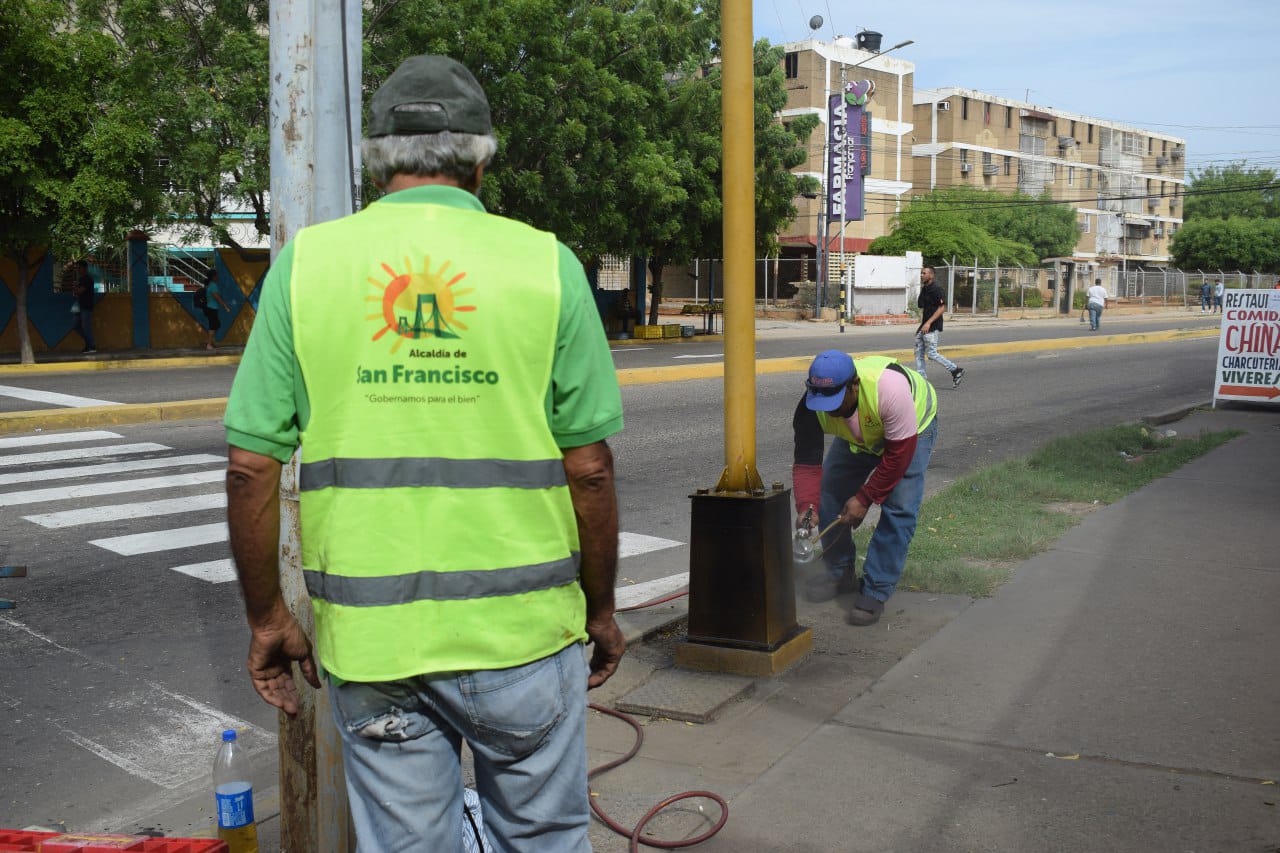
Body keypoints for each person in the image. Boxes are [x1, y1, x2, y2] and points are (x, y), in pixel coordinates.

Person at [223, 55, 625, 851]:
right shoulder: (547, 266)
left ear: (377, 158)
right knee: (544, 837)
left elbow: (250, 469)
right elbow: (590, 468)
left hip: (374, 646)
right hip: (524, 639)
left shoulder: (305, 267)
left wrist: (269, 615)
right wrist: (601, 609)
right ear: (482, 155)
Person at [792, 349, 939, 626]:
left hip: (912, 430)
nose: (828, 409)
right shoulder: (811, 407)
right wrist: (807, 506)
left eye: (835, 400)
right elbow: (807, 463)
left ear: (854, 385)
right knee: (827, 494)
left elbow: (897, 457)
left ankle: (876, 589)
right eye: (822, 401)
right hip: (861, 436)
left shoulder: (890, 390)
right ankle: (840, 573)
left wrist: (865, 497)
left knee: (899, 508)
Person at [914, 266, 964, 388]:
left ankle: (955, 370)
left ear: (931, 275)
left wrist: (928, 323)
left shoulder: (937, 290)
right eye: (921, 273)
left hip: (932, 325)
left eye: (924, 273)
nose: (921, 275)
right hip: (924, 325)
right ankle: (922, 378)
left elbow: (942, 308)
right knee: (918, 351)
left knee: (931, 354)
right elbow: (921, 305)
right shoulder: (925, 289)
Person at [198, 272, 230, 350]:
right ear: (213, 277)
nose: (218, 277)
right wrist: (225, 306)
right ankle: (209, 344)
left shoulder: (210, 285)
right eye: (216, 276)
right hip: (212, 308)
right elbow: (217, 297)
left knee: (216, 325)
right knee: (213, 326)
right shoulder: (213, 286)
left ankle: (211, 342)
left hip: (211, 308)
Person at [72, 260, 96, 354]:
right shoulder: (81, 279)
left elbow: (79, 291)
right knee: (75, 325)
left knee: (86, 327)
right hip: (80, 306)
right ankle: (89, 344)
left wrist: (75, 287)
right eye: (77, 268)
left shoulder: (87, 279)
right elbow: (76, 293)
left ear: (84, 268)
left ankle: (91, 346)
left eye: (79, 268)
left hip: (86, 306)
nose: (78, 270)